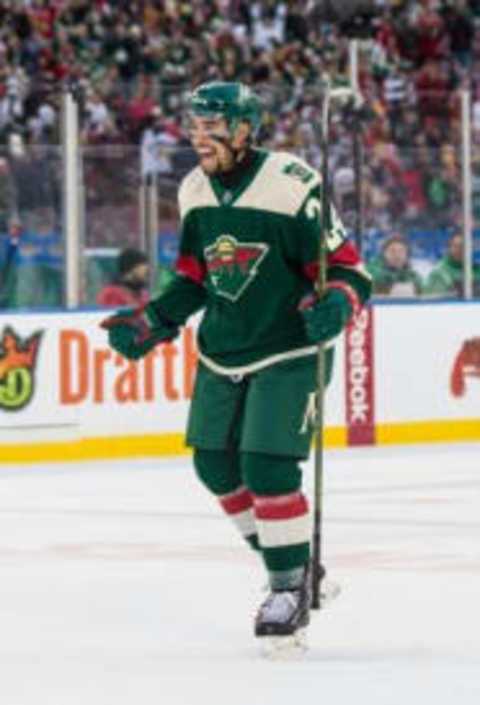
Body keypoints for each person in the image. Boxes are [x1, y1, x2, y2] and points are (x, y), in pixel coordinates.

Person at [100, 82, 371, 644]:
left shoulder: (293, 185)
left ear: (246, 130)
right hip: (223, 349)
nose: (200, 137)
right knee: (214, 466)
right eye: (194, 126)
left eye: (213, 126)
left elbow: (350, 270)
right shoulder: (194, 189)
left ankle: (287, 588)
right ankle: (293, 561)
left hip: (289, 347)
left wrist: (338, 303)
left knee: (267, 466)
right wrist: (153, 320)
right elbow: (198, 275)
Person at [424, 232, 480, 298]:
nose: (460, 250)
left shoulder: (477, 269)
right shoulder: (439, 272)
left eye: (463, 246)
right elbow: (432, 299)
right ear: (449, 248)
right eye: (456, 246)